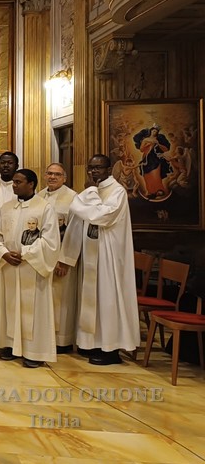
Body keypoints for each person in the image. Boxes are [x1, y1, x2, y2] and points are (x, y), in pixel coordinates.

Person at [58, 154, 140, 365]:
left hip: (108, 257)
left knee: (107, 301)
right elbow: (76, 216)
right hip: (91, 255)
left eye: (99, 168)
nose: (94, 172)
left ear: (109, 168)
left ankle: (111, 350)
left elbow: (101, 216)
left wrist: (91, 193)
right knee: (91, 302)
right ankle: (91, 343)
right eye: (91, 168)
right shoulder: (90, 191)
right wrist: (68, 256)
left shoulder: (117, 192)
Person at [0, 169, 60, 368]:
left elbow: (51, 242)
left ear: (31, 184)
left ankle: (34, 352)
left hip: (32, 267)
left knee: (34, 311)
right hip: (9, 265)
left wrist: (25, 253)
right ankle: (10, 345)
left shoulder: (44, 208)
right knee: (10, 305)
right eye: (13, 182)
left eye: (18, 182)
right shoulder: (6, 207)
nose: (14, 185)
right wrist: (3, 252)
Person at [38, 163, 78, 353]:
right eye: (49, 174)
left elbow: (73, 233)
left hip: (61, 257)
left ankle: (62, 341)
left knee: (62, 299)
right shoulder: (40, 195)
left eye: (57, 174)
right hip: (42, 257)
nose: (52, 177)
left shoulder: (72, 198)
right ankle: (45, 336)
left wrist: (65, 260)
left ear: (65, 177)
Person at [133, 125, 172, 198]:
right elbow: (141, 149)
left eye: (156, 131)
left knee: (156, 174)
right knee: (147, 175)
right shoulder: (146, 139)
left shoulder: (158, 139)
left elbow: (166, 149)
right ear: (151, 131)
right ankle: (151, 191)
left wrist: (158, 143)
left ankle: (159, 190)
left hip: (155, 158)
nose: (154, 132)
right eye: (153, 130)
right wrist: (148, 144)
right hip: (146, 157)